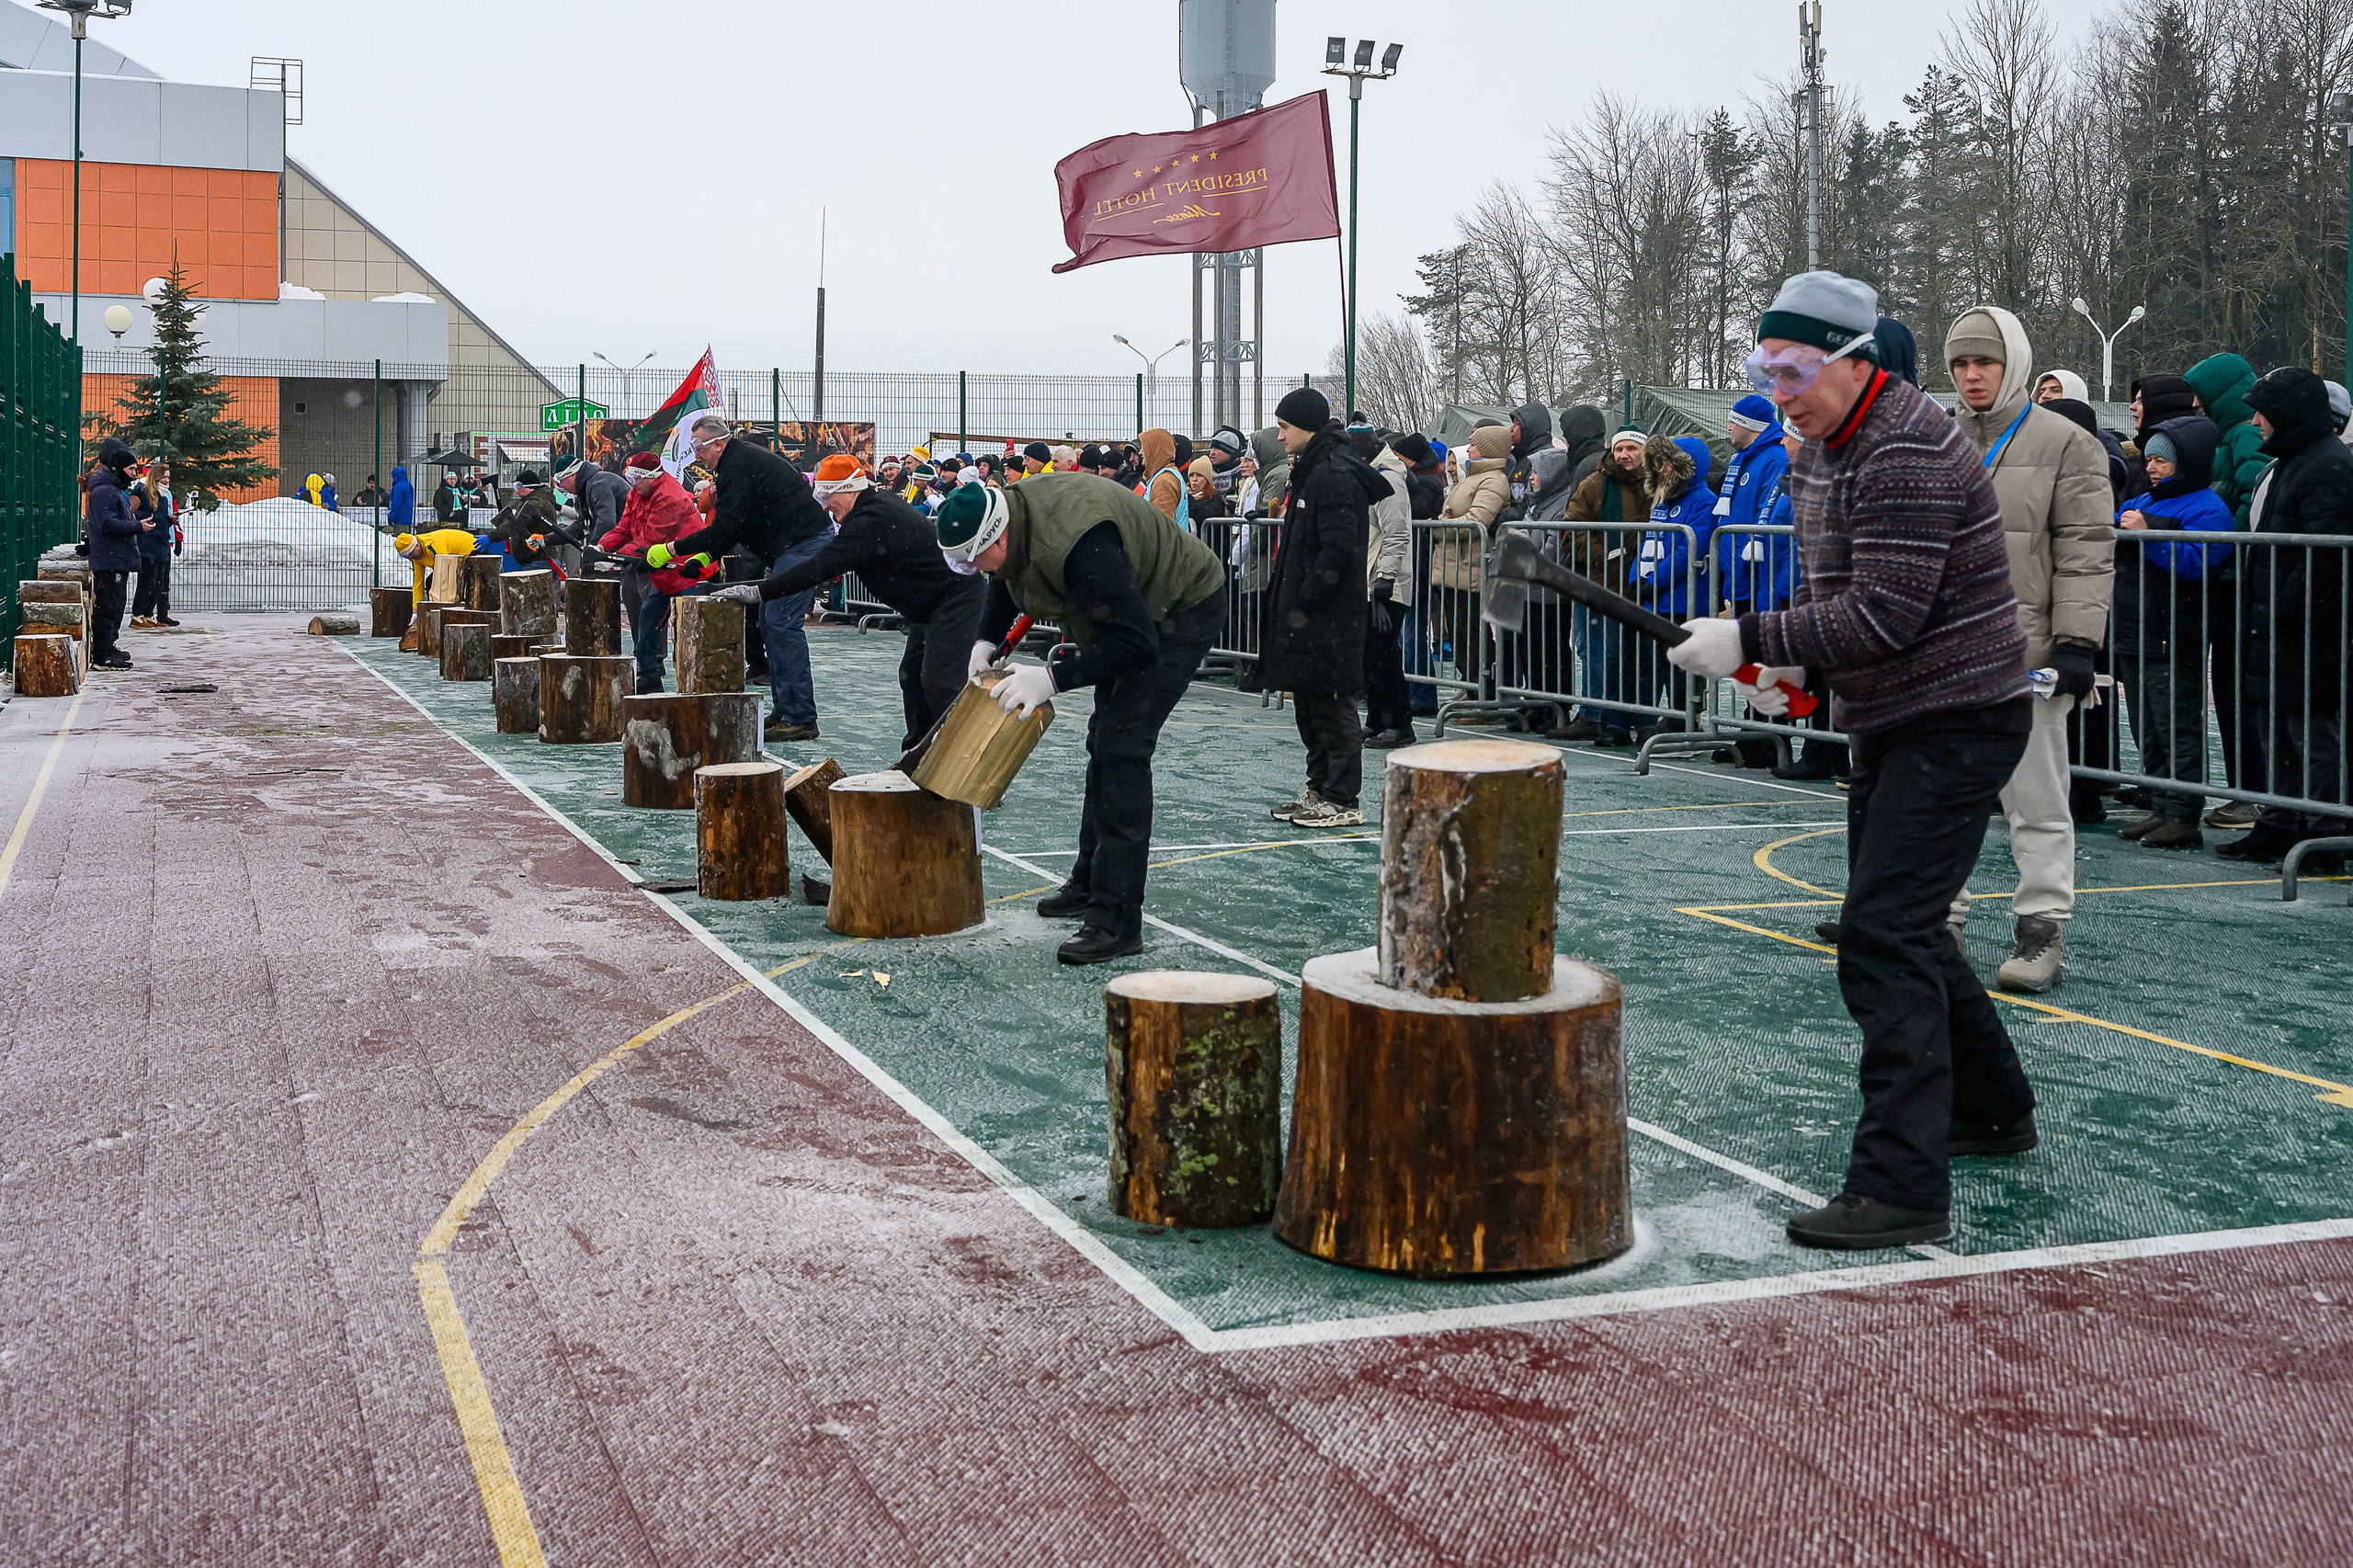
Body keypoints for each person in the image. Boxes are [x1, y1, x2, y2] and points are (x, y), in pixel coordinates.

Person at [1668, 269, 2037, 1251]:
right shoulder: (1821, 446)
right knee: (1903, 924)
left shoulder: (1908, 446)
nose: (1778, 390)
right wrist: (1781, 663)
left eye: (1792, 370)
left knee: (1881, 934)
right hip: (1891, 710)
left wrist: (1748, 632)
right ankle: (1995, 1110)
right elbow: (1840, 595)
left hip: (1958, 712)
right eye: (1764, 370)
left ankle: (1899, 1183)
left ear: (1849, 358)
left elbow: (1884, 611)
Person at [936, 472, 1227, 965]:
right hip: (1133, 610)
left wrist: (1051, 678)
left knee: (1121, 747)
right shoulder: (1010, 521)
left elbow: (1136, 642)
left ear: (997, 536)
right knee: (1104, 739)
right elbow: (1003, 577)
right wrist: (986, 639)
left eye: (973, 557)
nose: (973, 569)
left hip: (1180, 606)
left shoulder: (1079, 545)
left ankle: (1116, 921)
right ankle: (1090, 882)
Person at [1942, 303, 2115, 994]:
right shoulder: (1939, 439)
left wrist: (2077, 643)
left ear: (2011, 360)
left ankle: (2041, 928)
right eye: (1960, 363)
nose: (1972, 375)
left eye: (1983, 360)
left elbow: (2086, 550)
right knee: (1943, 799)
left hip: (2027, 653)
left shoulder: (2068, 444)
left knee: (2037, 802)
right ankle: (1941, 922)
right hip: (1944, 656)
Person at [710, 454, 985, 751]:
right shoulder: (870, 509)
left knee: (940, 682)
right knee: (913, 677)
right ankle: (919, 753)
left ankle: (968, 766)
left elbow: (818, 567)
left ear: (851, 489)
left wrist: (760, 592)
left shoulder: (870, 520)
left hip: (954, 600)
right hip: (932, 604)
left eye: (829, 496)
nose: (826, 505)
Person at [2216, 368, 2352, 871]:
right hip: (2279, 629)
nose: (2255, 421)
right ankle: (2278, 826)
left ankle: (2324, 836)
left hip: (2309, 633)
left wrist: (2279, 609)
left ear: (2288, 416)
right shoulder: (2291, 463)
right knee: (2279, 734)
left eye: (2264, 412)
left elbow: (2324, 559)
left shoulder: (2328, 467)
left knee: (2313, 738)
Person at [650, 414, 837, 743]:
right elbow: (737, 523)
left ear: (717, 443)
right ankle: (786, 710)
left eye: (697, 446)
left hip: (802, 545)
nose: (695, 454)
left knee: (780, 624)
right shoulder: (734, 463)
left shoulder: (737, 465)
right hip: (785, 548)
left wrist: (672, 548)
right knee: (769, 622)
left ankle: (800, 716)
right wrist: (705, 556)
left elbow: (727, 527)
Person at [1260, 387, 1382, 829]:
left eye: (1285, 426)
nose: (1280, 435)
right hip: (1309, 617)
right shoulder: (1312, 471)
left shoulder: (1333, 474)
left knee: (1332, 705)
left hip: (1330, 618)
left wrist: (1307, 599)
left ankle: (1342, 797)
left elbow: (1339, 549)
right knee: (1309, 705)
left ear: (1307, 426)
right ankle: (1318, 789)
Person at [2109, 416, 2233, 849]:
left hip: (2172, 634)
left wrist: (2148, 535)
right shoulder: (2143, 498)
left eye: (2163, 460)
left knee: (2177, 726)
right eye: (2150, 459)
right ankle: (2160, 804)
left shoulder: (2209, 509)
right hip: (2136, 630)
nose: (2153, 467)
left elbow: (2200, 565)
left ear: (2188, 463)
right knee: (2147, 726)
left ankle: (2182, 814)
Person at [1711, 395, 1795, 767]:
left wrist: (1746, 569)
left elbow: (1764, 523)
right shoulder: (1741, 460)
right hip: (1742, 578)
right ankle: (1754, 731)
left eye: (1735, 420)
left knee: (1765, 659)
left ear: (1753, 426)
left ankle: (1770, 736)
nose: (1729, 426)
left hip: (1759, 578)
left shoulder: (1772, 459)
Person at [1560, 427, 1651, 744]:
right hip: (1602, 584)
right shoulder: (1594, 485)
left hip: (1646, 585)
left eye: (1631, 449)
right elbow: (1570, 529)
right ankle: (1603, 716)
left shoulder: (1657, 484)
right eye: (1618, 449)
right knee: (1604, 652)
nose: (1623, 455)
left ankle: (1642, 718)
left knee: (1642, 656)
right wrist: (1608, 555)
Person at [1629, 435, 1721, 736]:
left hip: (1685, 601)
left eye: (1666, 462)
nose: (1660, 468)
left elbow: (1689, 550)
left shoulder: (1703, 500)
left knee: (1683, 667)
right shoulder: (1662, 500)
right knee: (1655, 665)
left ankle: (1686, 720)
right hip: (1657, 600)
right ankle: (1658, 717)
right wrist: (1635, 578)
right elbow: (1649, 543)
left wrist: (1655, 580)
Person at [597, 451, 705, 693]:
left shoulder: (669, 496)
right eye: (630, 478)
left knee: (690, 627)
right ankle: (648, 676)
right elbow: (625, 526)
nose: (632, 484)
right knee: (647, 619)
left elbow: (651, 538)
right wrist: (602, 546)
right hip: (663, 570)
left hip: (687, 567)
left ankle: (695, 682)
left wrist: (615, 558)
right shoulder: (637, 493)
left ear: (649, 477)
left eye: (636, 479)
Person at [1364, 434, 1419, 748]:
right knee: (1371, 655)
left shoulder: (1389, 481)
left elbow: (1397, 533)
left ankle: (1399, 723)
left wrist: (1384, 578)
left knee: (1384, 654)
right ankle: (1376, 720)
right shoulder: (1375, 478)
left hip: (1388, 583)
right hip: (1373, 580)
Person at [82, 439, 142, 669]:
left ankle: (109, 646)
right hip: (110, 558)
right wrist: (138, 527)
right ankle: (103, 653)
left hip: (116, 557)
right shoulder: (105, 490)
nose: (134, 474)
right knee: (109, 604)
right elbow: (109, 524)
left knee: (115, 603)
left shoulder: (112, 488)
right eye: (131, 469)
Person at [129, 462, 177, 630]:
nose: (166, 480)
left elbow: (161, 518)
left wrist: (169, 520)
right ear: (156, 477)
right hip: (147, 543)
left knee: (158, 581)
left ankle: (148, 613)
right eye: (164, 476)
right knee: (147, 580)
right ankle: (138, 614)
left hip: (161, 542)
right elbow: (132, 512)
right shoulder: (143, 491)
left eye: (169, 477)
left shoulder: (163, 496)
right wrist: (151, 517)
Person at [490, 471, 564, 569]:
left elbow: (516, 525)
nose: (517, 492)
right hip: (537, 560)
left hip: (540, 561)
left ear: (530, 487)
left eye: (519, 488)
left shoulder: (536, 504)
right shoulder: (534, 501)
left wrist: (490, 537)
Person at [395, 524, 479, 608]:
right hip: (455, 562)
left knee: (464, 583)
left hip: (473, 553)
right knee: (430, 582)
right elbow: (418, 583)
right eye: (407, 557)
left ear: (416, 545)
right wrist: (415, 609)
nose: (411, 558)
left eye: (410, 554)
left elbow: (446, 571)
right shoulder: (417, 557)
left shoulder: (434, 544)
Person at [1138, 428, 1187, 525]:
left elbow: (1162, 527)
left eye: (1144, 447)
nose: (1140, 452)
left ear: (1155, 450)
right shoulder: (1168, 475)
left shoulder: (1164, 482)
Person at [387, 464, 415, 539]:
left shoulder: (398, 486)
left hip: (399, 519)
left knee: (400, 541)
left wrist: (391, 518)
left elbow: (396, 504)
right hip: (408, 518)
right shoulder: (409, 485)